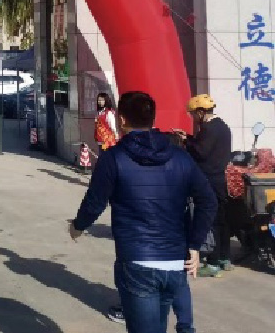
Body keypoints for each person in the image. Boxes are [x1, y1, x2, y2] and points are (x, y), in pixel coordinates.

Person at [69, 91, 217, 333]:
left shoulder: (113, 158)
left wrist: (77, 226)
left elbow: (95, 203)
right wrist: (194, 244)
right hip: (174, 262)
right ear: (152, 118)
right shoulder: (180, 157)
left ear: (122, 119)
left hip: (138, 262)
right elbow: (208, 201)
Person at [176, 94, 233, 277]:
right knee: (222, 219)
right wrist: (189, 138)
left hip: (208, 180)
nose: (193, 117)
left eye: (193, 113)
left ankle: (213, 262)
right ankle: (224, 258)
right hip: (219, 179)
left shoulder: (209, 128)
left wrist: (186, 141)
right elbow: (204, 147)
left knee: (210, 220)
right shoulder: (222, 126)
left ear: (201, 112)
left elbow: (200, 152)